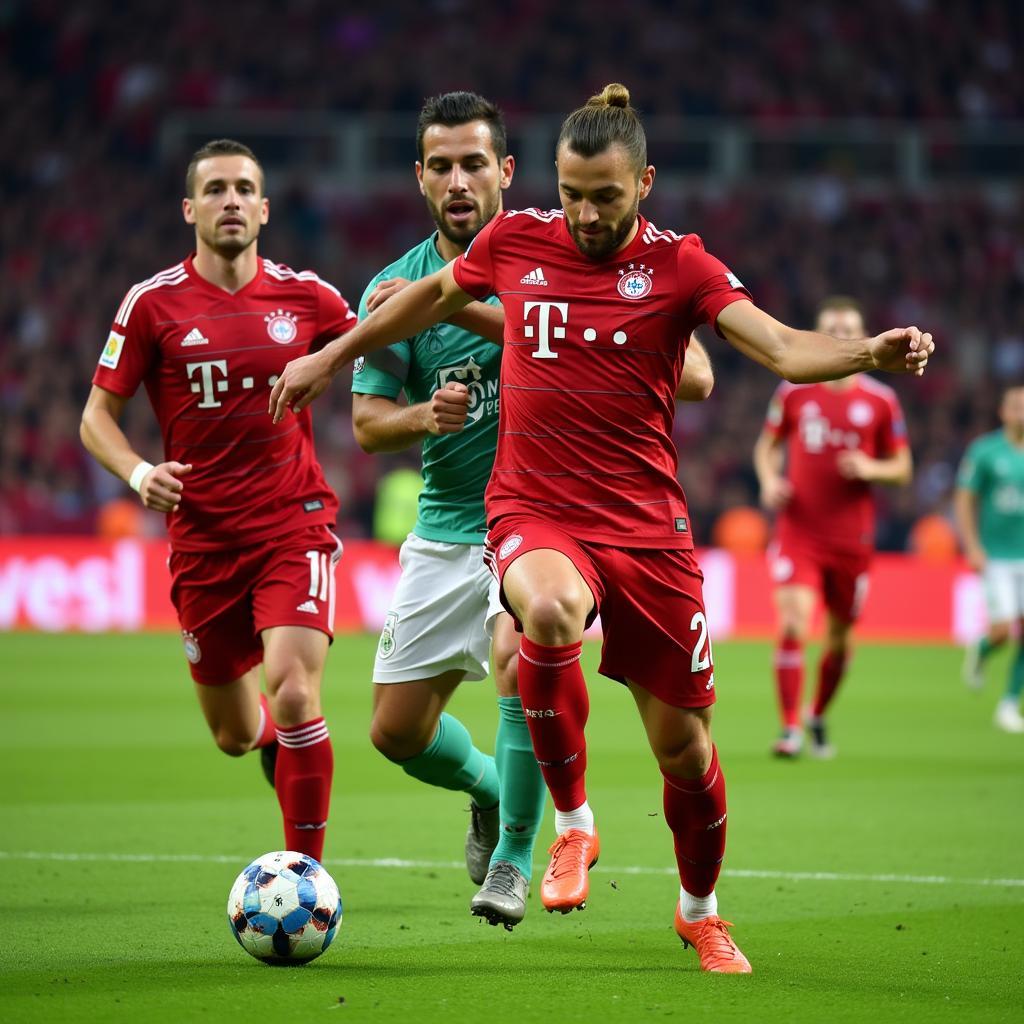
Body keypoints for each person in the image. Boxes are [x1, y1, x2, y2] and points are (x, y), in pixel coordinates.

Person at [269, 84, 933, 973]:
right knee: (542, 616)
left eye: (605, 196)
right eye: (571, 191)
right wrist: (330, 354)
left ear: (645, 182)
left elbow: (776, 347)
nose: (583, 213)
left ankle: (700, 911)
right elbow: (420, 298)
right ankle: (570, 826)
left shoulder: (683, 267)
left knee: (687, 755)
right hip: (536, 511)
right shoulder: (515, 241)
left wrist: (865, 353)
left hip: (648, 531)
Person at [352, 91, 716, 930]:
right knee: (396, 732)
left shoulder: (567, 256)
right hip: (450, 521)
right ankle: (486, 788)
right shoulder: (394, 288)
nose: (458, 180)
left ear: (509, 173)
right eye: (440, 165)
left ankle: (519, 854)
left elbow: (694, 376)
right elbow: (370, 425)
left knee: (529, 642)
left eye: (474, 163)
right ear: (419, 178)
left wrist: (509, 319)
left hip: (551, 518)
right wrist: (420, 416)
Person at [80, 139, 356, 864]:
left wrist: (350, 360)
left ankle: (307, 879)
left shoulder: (309, 296)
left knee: (295, 693)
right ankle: (268, 741)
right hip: (202, 542)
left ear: (264, 209)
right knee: (236, 734)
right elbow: (94, 418)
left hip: (294, 524)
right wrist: (141, 476)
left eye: (243, 189)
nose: (230, 200)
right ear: (190, 208)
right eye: (215, 189)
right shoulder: (152, 303)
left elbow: (373, 344)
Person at [752, 297, 913, 758]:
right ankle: (789, 729)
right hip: (799, 531)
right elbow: (767, 447)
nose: (840, 331)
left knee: (840, 640)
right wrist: (769, 480)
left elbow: (902, 468)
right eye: (831, 326)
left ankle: (817, 713)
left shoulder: (881, 401)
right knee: (792, 622)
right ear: (819, 333)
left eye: (849, 325)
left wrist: (870, 467)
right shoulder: (794, 391)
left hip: (852, 538)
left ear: (863, 333)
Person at [953, 384, 1024, 733]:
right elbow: (965, 499)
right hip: (996, 555)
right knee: (1001, 633)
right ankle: (982, 650)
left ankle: (1010, 704)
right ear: (1003, 412)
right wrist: (972, 545)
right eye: (1016, 406)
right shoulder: (985, 451)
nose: (1021, 412)